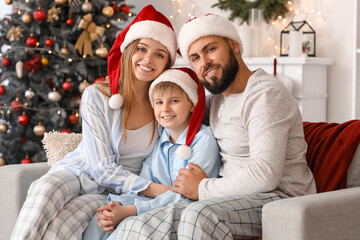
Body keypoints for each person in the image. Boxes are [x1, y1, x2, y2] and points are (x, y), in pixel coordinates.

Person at [117, 13, 317, 239]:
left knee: (198, 215)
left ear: (234, 46)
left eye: (210, 49)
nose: (204, 63)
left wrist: (202, 188)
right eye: (195, 58)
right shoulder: (216, 99)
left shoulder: (264, 94)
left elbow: (265, 174)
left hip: (279, 198)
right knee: (144, 221)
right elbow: (173, 111)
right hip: (233, 198)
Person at [10, 5, 178, 240]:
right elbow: (101, 168)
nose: (148, 59)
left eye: (159, 54)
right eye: (142, 49)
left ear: (167, 63)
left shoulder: (164, 108)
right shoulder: (98, 95)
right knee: (44, 189)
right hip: (78, 172)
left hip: (113, 192)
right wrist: (157, 190)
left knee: (62, 225)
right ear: (129, 50)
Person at [83, 67, 221, 240]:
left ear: (192, 104)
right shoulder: (158, 141)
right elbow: (144, 186)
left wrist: (130, 210)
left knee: (128, 227)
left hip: (184, 209)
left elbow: (188, 195)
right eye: (159, 102)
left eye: (174, 101)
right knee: (97, 225)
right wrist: (117, 208)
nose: (165, 109)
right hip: (154, 204)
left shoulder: (203, 141)